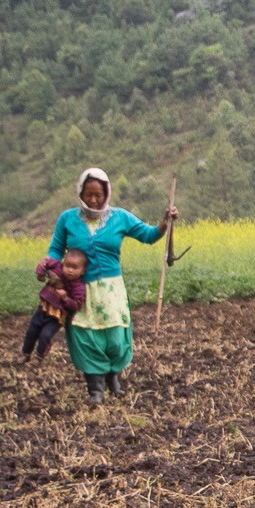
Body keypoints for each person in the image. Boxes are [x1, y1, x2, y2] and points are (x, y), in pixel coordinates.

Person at [46, 168, 177, 404]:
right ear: (80, 193)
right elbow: (56, 249)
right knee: (86, 335)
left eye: (98, 194)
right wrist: (52, 271)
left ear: (107, 194)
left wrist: (165, 222)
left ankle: (113, 378)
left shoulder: (120, 217)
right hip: (80, 290)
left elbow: (148, 235)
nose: (93, 200)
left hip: (111, 290)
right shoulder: (67, 219)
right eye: (88, 194)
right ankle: (95, 387)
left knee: (116, 337)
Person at [24, 248, 88, 362]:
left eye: (75, 268)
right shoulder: (57, 268)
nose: (70, 270)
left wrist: (65, 298)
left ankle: (39, 357)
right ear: (63, 263)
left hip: (57, 317)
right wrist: (41, 273)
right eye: (67, 266)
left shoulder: (79, 287)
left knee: (45, 336)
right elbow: (45, 263)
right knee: (31, 331)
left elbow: (76, 305)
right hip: (43, 308)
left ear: (83, 271)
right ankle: (25, 354)